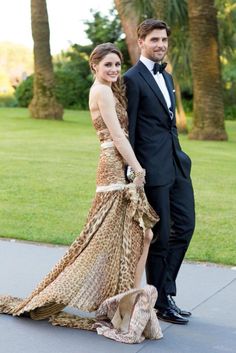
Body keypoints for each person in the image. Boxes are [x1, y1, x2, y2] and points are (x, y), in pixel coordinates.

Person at [0, 43, 163, 344]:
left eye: (117, 64)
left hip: (120, 165)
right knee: (120, 235)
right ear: (95, 66)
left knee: (140, 236)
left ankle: (126, 301)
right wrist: (138, 170)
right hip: (115, 167)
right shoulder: (100, 91)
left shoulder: (110, 89)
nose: (114, 70)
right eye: (108, 65)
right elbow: (116, 136)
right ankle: (121, 304)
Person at [124, 19, 195, 325]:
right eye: (154, 40)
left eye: (164, 40)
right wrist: (133, 170)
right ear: (141, 42)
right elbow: (132, 127)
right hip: (152, 168)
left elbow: (168, 124)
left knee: (187, 225)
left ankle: (165, 290)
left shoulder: (165, 77)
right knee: (161, 236)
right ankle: (162, 301)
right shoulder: (132, 78)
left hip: (177, 164)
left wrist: (180, 156)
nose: (161, 45)